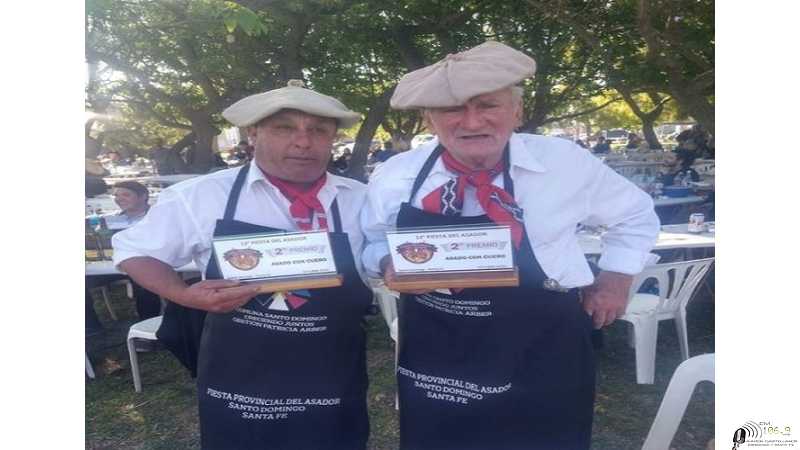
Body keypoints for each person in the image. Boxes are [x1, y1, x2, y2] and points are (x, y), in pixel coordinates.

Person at [361, 41, 660, 450]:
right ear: (430, 120)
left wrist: (616, 278)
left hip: (543, 340)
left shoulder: (564, 163)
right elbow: (372, 239)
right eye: (452, 109)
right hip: (439, 342)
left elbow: (636, 214)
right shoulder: (396, 176)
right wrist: (384, 262)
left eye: (488, 105)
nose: (471, 121)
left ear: (516, 111)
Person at [112, 79, 372, 450]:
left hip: (331, 371)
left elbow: (385, 263)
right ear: (253, 133)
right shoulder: (199, 196)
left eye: (318, 130)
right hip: (242, 377)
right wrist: (183, 294)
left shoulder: (360, 199)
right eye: (284, 128)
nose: (302, 141)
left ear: (333, 139)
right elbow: (134, 252)